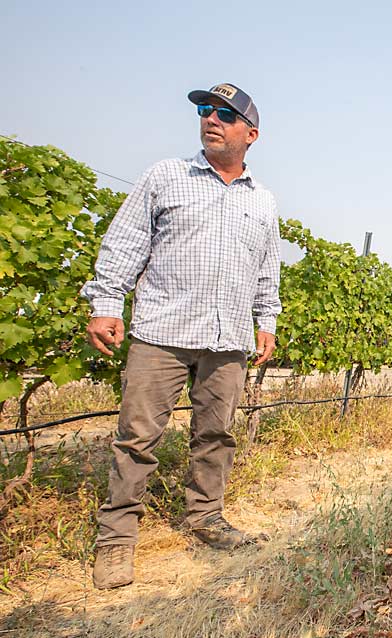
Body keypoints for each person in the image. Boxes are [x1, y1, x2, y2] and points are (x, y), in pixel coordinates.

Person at [80, 83, 281, 590]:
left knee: (215, 436)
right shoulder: (165, 176)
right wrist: (107, 304)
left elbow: (266, 271)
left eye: (225, 115)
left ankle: (205, 519)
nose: (211, 119)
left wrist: (267, 322)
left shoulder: (263, 200)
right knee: (137, 438)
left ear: (250, 134)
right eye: (205, 111)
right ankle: (117, 540)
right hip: (161, 333)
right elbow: (125, 243)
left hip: (227, 339)